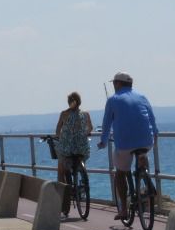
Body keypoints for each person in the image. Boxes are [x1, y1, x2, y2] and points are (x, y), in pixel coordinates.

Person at [98, 72, 158, 221]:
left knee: (120, 173)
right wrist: (155, 135)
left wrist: (103, 141)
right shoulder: (142, 97)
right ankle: (145, 174)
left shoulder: (113, 99)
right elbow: (152, 118)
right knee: (142, 152)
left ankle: (124, 209)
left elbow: (106, 124)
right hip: (147, 140)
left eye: (114, 84)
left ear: (118, 84)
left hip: (125, 143)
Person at [54, 91, 93, 215]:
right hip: (82, 148)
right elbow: (90, 128)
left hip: (67, 149)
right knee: (80, 162)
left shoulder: (64, 114)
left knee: (61, 170)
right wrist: (83, 134)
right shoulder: (85, 114)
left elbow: (57, 130)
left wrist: (62, 137)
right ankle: (82, 175)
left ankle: (62, 200)